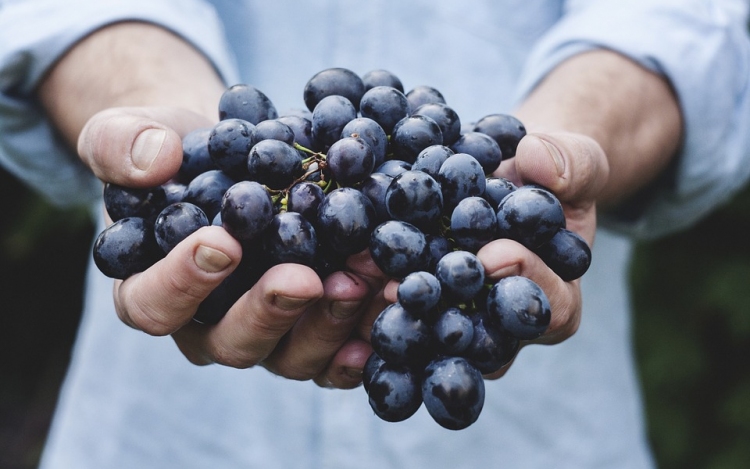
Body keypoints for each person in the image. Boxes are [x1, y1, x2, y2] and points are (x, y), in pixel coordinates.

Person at [1, 1, 749, 467]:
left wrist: (568, 141)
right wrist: (146, 102)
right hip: (167, 437)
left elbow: (681, 18)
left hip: (536, 436)